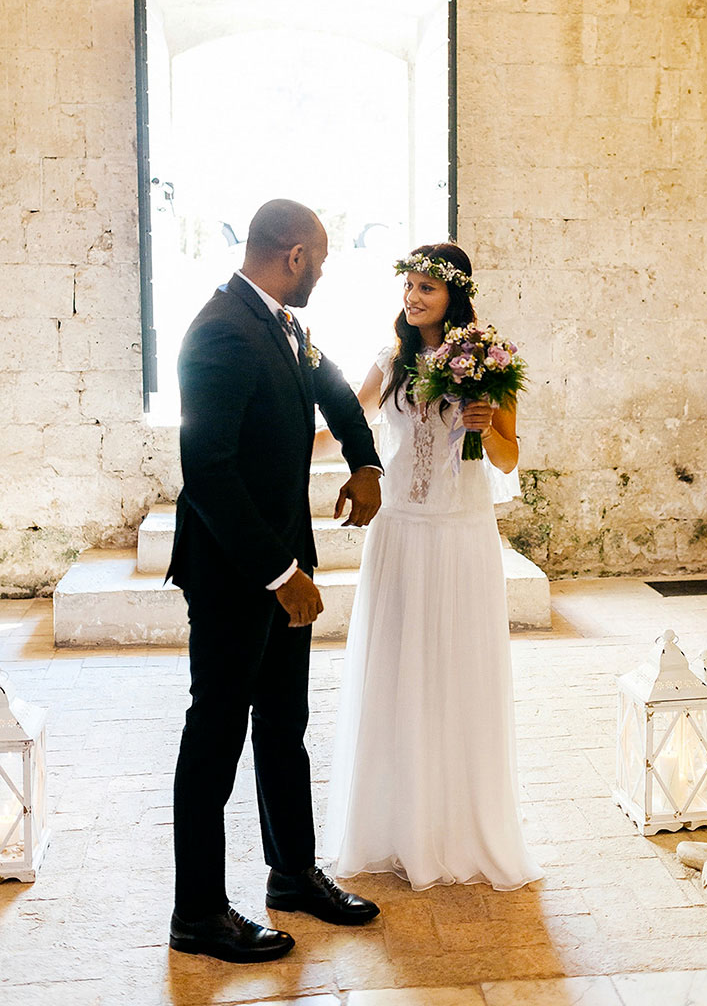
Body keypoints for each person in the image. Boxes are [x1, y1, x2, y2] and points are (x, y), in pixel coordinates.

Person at [167, 199, 383, 963]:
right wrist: (281, 573)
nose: (323, 272)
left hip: (283, 565)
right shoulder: (221, 332)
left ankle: (291, 873)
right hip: (237, 573)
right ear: (293, 255)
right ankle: (197, 914)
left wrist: (365, 461)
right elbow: (209, 473)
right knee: (215, 737)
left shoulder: (283, 325)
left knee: (283, 725)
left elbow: (330, 390)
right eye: (319, 261)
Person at [322, 242, 543, 891]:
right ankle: (393, 829)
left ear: (455, 296)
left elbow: (506, 458)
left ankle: (456, 829)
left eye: (427, 288)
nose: (413, 298)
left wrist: (488, 424)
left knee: (456, 673)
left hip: (460, 536)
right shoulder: (389, 360)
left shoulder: (488, 364)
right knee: (395, 672)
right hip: (400, 533)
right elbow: (345, 419)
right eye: (409, 286)